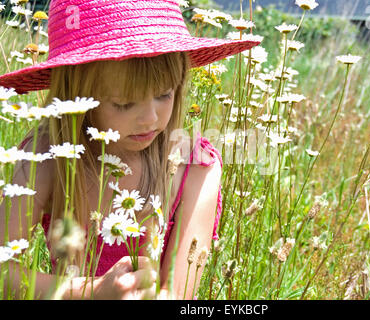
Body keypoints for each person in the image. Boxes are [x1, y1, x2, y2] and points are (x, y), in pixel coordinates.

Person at [0, 0, 259, 299]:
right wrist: (92, 291)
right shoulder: (48, 156)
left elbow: (178, 294)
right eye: (124, 103)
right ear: (76, 96)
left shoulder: (196, 169)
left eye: (164, 94)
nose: (150, 118)